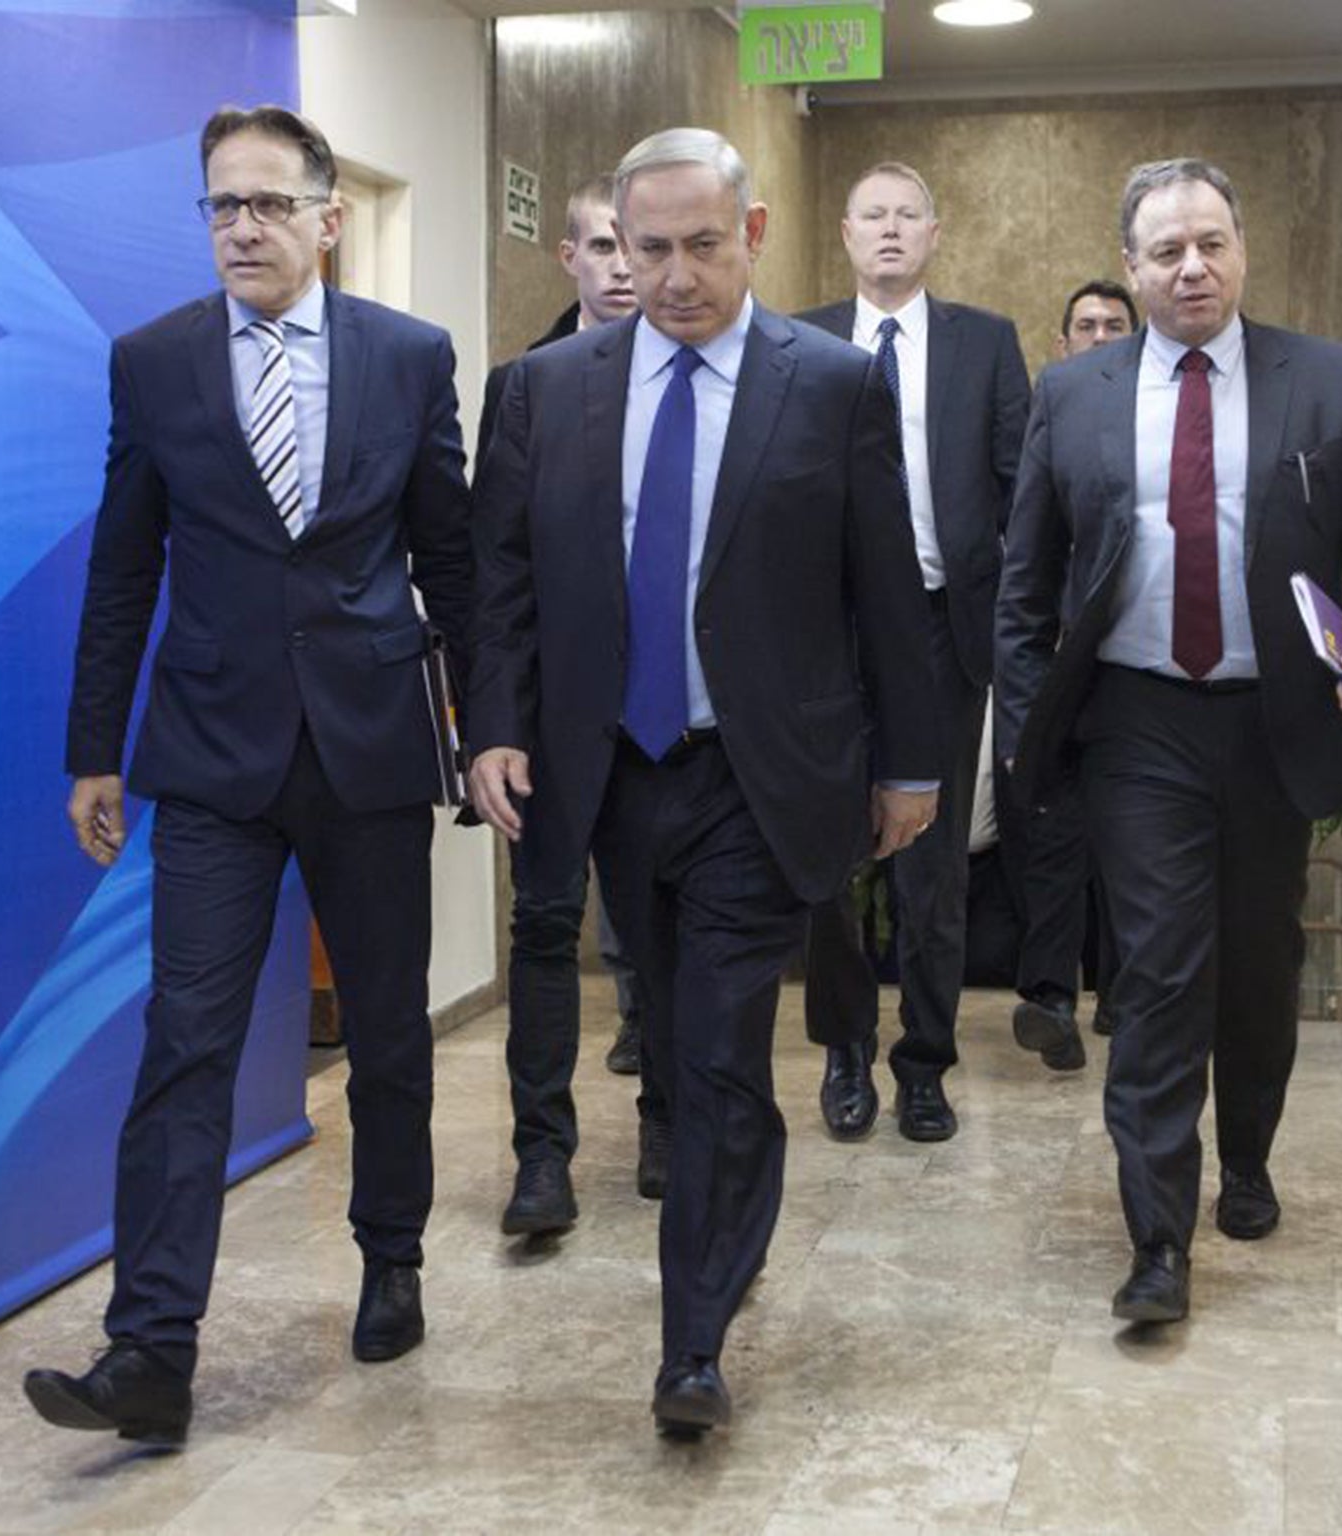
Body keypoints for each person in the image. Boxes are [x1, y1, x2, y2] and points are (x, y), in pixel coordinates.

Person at [467, 126, 941, 1436]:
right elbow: (500, 581)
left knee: (728, 1051)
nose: (673, 275)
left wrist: (910, 763)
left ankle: (691, 1348)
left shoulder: (833, 385)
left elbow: (886, 593)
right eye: (646, 247)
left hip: (760, 770)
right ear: (614, 246)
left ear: (757, 233)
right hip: (612, 774)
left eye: (701, 245)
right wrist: (492, 726)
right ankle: (723, 1250)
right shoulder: (546, 389)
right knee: (670, 1048)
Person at [23, 104, 472, 1443]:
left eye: (270, 204)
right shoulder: (153, 363)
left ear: (329, 216)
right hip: (212, 756)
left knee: (389, 1029)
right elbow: (123, 570)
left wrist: (492, 730)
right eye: (222, 206)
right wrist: (92, 748)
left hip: (372, 745)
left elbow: (449, 556)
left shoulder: (408, 357)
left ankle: (391, 1252)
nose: (244, 229)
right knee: (188, 1043)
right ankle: (149, 1350)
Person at [996, 157, 1342, 1324]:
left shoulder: (1323, 380)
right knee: (1158, 969)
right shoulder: (1071, 394)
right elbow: (1023, 582)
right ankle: (1155, 1242)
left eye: (1210, 243)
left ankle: (1245, 1154)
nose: (1191, 267)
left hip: (1272, 720)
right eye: (1164, 251)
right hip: (1135, 722)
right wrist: (1041, 720)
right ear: (1130, 269)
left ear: (1239, 249)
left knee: (1251, 965)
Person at [797, 162, 1033, 1142]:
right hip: (829, 635)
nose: (889, 232)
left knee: (931, 866)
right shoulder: (798, 340)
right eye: (871, 217)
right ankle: (845, 1049)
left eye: (906, 217)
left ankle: (924, 1063)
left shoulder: (983, 343)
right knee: (828, 859)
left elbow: (1022, 486)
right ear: (845, 235)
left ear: (933, 234)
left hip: (943, 629)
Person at [474, 174, 658, 1238]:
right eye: (601, 246)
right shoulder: (523, 387)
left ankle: (669, 1125)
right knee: (544, 934)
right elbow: (492, 576)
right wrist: (489, 725)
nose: (623, 266)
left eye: (632, 245)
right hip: (547, 727)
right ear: (571, 260)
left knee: (661, 937)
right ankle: (540, 1158)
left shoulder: (696, 381)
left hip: (659, 721)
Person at [993, 278, 1143, 1060]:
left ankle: (1119, 992)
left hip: (1136, 677)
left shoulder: (1160, 421)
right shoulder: (1050, 410)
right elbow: (1026, 560)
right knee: (1052, 834)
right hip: (1055, 674)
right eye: (1085, 325)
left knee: (1129, 840)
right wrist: (1020, 710)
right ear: (1062, 343)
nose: (1100, 336)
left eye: (1115, 325)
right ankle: (1049, 997)